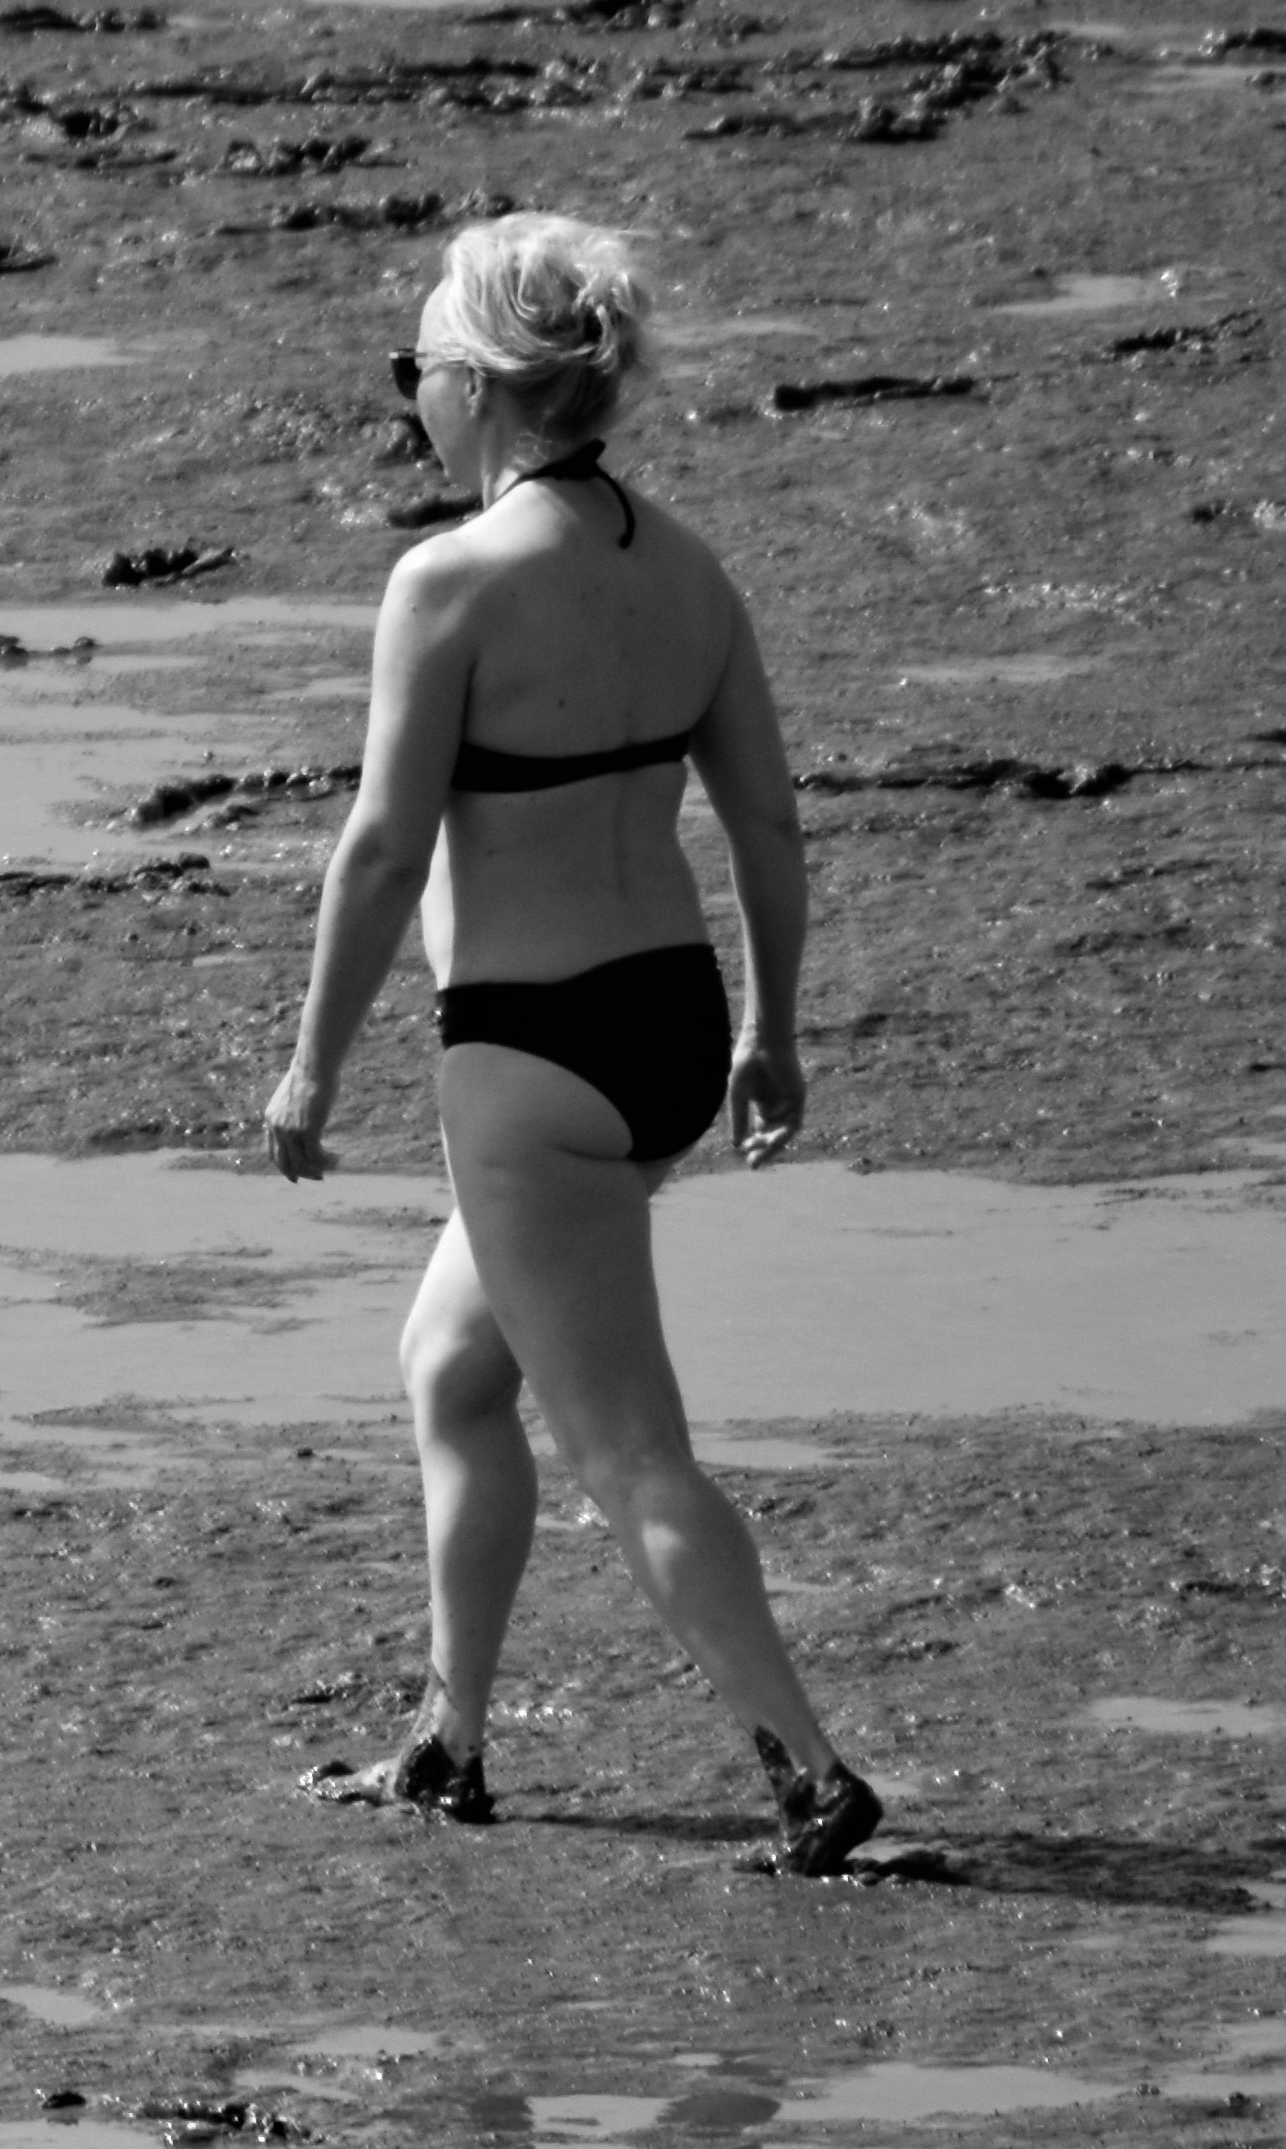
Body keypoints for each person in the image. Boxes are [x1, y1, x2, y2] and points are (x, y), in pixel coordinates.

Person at [259, 216, 881, 1877]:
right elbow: (765, 821)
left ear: (480, 386)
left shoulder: (448, 581)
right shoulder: (687, 571)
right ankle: (450, 1744)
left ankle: (814, 1775)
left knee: (627, 1449)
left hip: (529, 1064)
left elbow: (385, 851)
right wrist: (772, 1033)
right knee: (454, 1369)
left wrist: (312, 1068)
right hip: (668, 1025)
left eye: (418, 375)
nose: (409, 404)